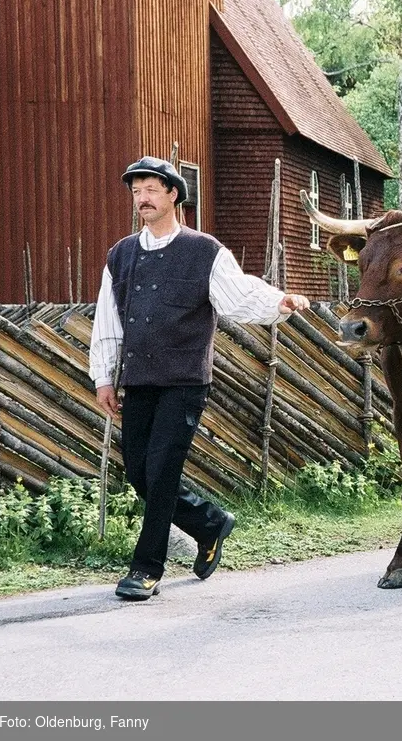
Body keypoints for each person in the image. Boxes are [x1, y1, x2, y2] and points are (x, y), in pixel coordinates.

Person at [90, 156, 311, 600]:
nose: (142, 199)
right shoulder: (121, 255)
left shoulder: (204, 250)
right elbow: (107, 321)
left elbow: (237, 294)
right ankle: (210, 523)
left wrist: (279, 300)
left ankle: (146, 568)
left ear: (174, 194)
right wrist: (104, 378)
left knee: (162, 470)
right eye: (136, 192)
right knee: (138, 472)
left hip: (185, 381)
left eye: (151, 189)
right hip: (140, 379)